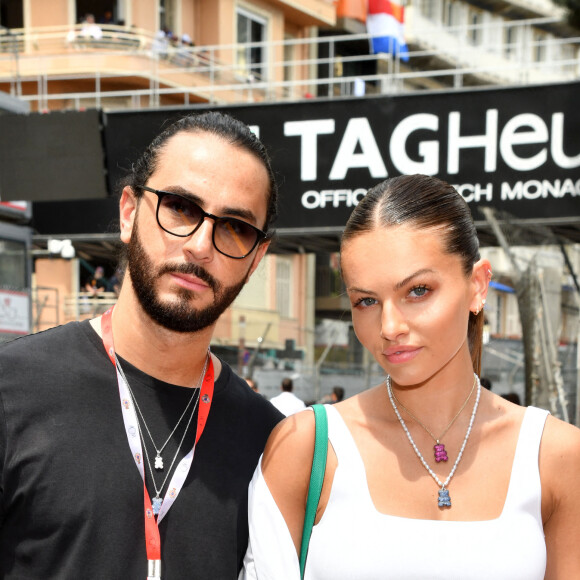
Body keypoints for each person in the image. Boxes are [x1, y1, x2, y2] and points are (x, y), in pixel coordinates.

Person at [242, 174, 580, 579]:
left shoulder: (557, 457)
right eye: (366, 300)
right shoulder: (306, 449)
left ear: (477, 286)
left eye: (417, 291)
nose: (389, 326)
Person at [0, 111, 284, 578]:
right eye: (180, 207)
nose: (200, 245)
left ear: (257, 258)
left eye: (235, 227)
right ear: (129, 212)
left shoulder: (271, 444)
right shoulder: (13, 389)